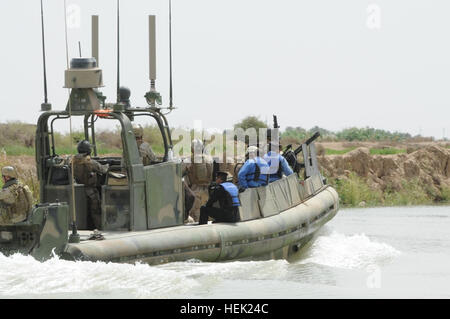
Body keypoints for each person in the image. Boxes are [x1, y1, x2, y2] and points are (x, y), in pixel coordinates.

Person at [72, 140, 109, 230]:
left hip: (77, 193)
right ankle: (100, 230)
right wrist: (108, 164)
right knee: (96, 212)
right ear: (88, 150)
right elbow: (103, 170)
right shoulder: (90, 162)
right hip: (90, 192)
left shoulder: (72, 161)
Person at [182, 139, 214, 222]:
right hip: (206, 192)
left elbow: (180, 173)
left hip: (194, 191)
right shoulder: (209, 159)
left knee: (194, 217)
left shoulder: (188, 160)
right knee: (205, 216)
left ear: (192, 148)